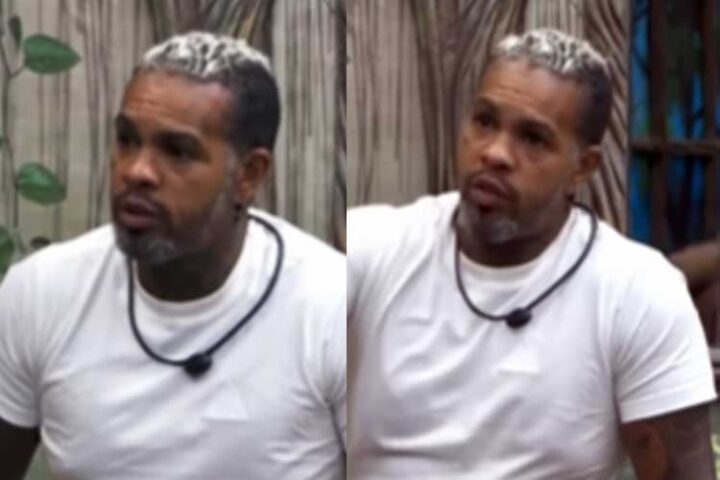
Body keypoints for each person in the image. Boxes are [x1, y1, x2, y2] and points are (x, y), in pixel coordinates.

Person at [347, 28, 716, 479]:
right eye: (484, 121)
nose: (495, 153)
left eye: (533, 139)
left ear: (583, 167)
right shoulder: (371, 248)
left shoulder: (636, 292)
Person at [0, 32, 346, 479]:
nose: (136, 171)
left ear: (248, 174)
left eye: (177, 151)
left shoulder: (335, 310)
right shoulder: (41, 294)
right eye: (127, 139)